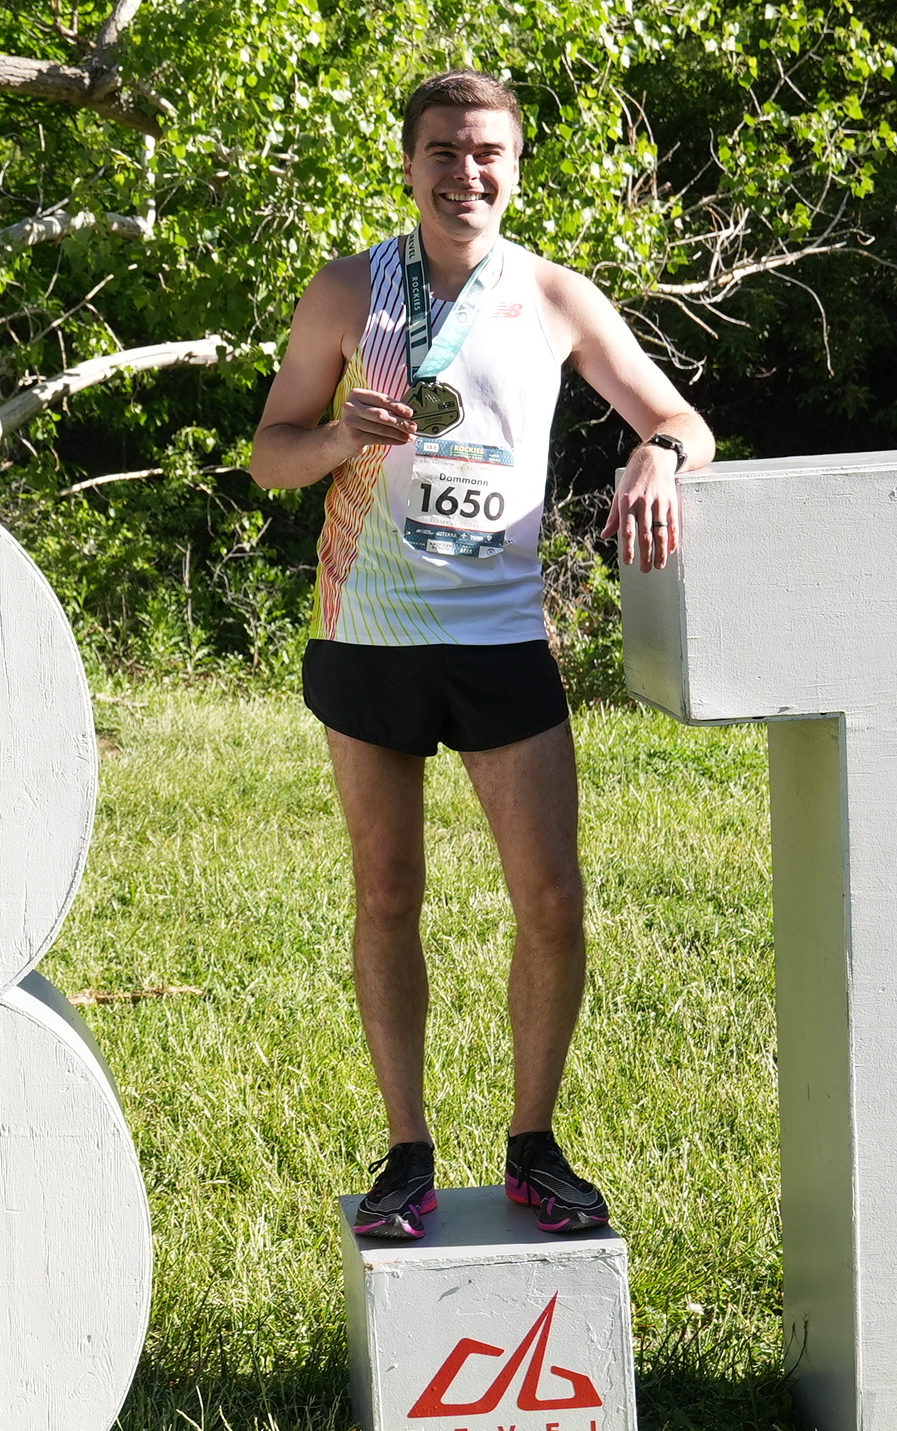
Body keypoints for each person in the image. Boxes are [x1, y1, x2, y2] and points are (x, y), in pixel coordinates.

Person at [248, 70, 713, 1242]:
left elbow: (682, 418)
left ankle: (532, 1145)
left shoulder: (553, 296)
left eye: (487, 152)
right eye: (445, 151)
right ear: (410, 165)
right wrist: (337, 434)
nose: (467, 171)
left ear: (514, 167)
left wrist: (656, 454)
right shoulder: (350, 290)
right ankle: (406, 1151)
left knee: (552, 899)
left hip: (502, 634)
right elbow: (268, 454)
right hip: (371, 631)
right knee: (387, 892)